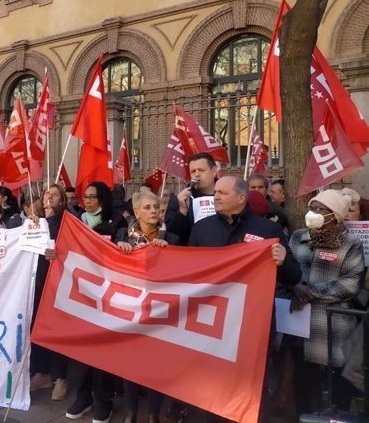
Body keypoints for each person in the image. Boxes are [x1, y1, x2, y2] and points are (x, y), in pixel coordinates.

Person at [188, 175, 301, 422]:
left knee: (251, 387)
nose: (215, 196)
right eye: (215, 192)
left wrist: (282, 261)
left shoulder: (268, 230)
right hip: (211, 324)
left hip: (252, 326)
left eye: (222, 193)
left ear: (241, 197)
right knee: (210, 385)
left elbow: (294, 276)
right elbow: (187, 271)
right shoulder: (202, 228)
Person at [289, 189, 364, 415]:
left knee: (337, 387)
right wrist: (294, 287)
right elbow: (288, 269)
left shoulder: (350, 244)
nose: (313, 213)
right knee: (303, 381)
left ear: (335, 215)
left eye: (320, 209)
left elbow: (350, 284)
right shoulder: (298, 237)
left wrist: (311, 292)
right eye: (312, 208)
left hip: (333, 326)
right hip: (300, 323)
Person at [66, 181, 128, 423]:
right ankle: (84, 396)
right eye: (86, 196)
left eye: (93, 197)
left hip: (107, 293)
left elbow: (123, 250)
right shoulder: (76, 222)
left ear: (103, 198)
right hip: (80, 291)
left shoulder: (118, 222)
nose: (88, 200)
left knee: (102, 350)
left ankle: (103, 400)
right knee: (80, 349)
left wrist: (122, 245)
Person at [122, 190, 180, 423]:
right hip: (131, 308)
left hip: (159, 310)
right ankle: (131, 412)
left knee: (157, 362)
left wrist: (169, 252)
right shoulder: (122, 234)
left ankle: (154, 414)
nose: (154, 211)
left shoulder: (172, 239)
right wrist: (119, 247)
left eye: (156, 206)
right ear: (136, 212)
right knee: (129, 362)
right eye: (147, 207)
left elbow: (184, 273)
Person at [29, 184, 69, 401]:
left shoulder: (66, 221)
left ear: (61, 200)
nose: (50, 196)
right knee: (37, 326)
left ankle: (60, 377)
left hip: (56, 282)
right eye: (47, 193)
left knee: (55, 330)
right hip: (36, 282)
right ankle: (42, 372)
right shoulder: (35, 221)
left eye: (55, 194)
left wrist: (59, 253)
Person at [166, 152, 218, 244]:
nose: (197, 174)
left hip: (222, 253)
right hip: (192, 254)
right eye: (193, 171)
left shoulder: (228, 196)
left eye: (201, 170)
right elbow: (172, 236)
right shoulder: (179, 200)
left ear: (214, 171)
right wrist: (182, 212)